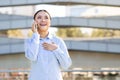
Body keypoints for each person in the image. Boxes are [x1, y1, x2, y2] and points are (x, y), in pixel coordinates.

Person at [24, 9, 72, 80]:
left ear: (50, 22)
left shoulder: (58, 41)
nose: (43, 20)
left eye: (46, 18)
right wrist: (35, 35)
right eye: (39, 17)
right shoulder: (29, 41)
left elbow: (66, 65)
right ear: (34, 22)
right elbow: (32, 57)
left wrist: (56, 49)